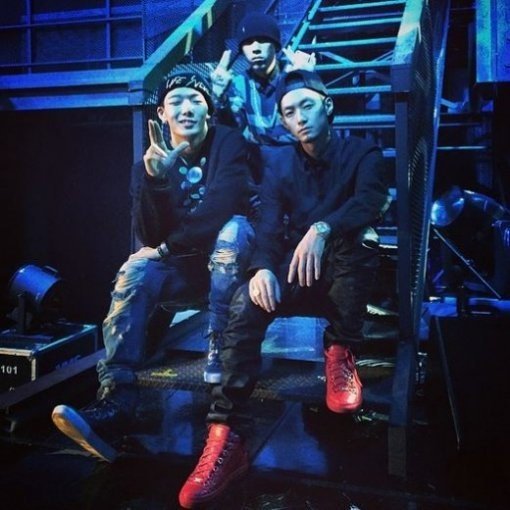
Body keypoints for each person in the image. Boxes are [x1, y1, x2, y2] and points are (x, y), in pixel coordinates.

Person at [178, 70, 391, 509]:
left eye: (307, 106)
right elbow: (270, 224)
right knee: (245, 298)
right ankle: (227, 437)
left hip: (347, 274)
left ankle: (340, 351)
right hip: (298, 271)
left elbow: (369, 201)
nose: (300, 118)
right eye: (289, 112)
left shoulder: (363, 151)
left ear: (328, 106)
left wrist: (323, 228)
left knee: (363, 238)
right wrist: (261, 269)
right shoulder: (280, 164)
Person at [51, 71, 254, 462]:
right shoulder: (147, 162)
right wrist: (154, 180)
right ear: (162, 113)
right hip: (186, 271)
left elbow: (222, 206)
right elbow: (147, 233)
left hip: (234, 271)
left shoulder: (228, 142)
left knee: (233, 229)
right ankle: (117, 401)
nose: (186, 108)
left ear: (209, 111)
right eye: (176, 101)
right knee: (134, 271)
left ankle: (220, 345)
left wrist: (164, 248)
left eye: (195, 100)